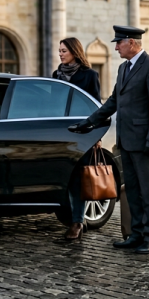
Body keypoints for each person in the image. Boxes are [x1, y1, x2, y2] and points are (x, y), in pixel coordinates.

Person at [69, 26, 149, 255]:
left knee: (148, 190)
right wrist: (88, 122)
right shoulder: (123, 68)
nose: (116, 47)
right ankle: (136, 234)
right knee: (131, 189)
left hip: (145, 142)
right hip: (126, 140)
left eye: (119, 43)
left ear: (131, 43)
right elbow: (113, 101)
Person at [52, 37, 101, 240]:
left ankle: (77, 222)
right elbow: (53, 104)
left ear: (74, 51)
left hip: (82, 134)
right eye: (59, 50)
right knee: (64, 177)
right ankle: (72, 218)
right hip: (62, 134)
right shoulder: (56, 74)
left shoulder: (90, 75)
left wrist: (96, 134)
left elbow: (96, 106)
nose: (60, 53)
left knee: (78, 180)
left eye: (64, 50)